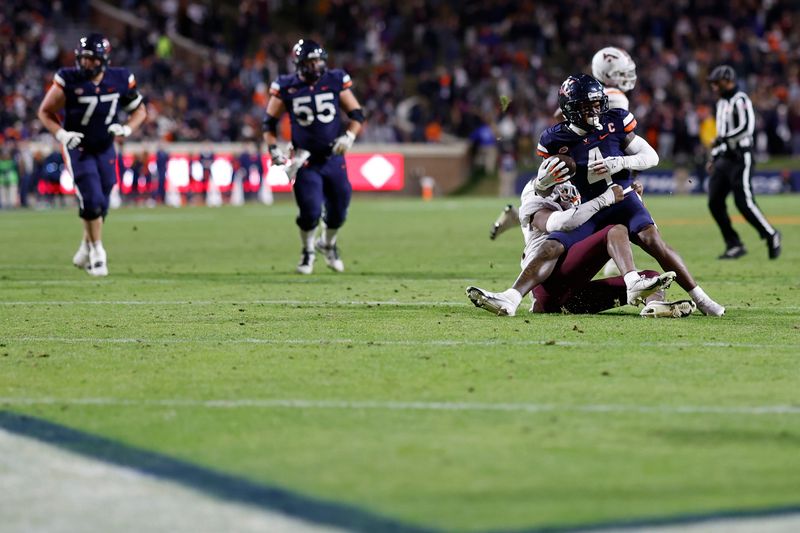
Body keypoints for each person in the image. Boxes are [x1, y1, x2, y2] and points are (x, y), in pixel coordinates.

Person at [537, 74, 724, 316]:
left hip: (625, 199)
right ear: (570, 108)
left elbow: (652, 157)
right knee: (554, 245)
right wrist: (544, 182)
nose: (594, 111)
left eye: (596, 104)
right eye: (586, 106)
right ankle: (518, 295)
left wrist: (619, 162)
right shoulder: (554, 138)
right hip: (590, 208)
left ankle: (701, 299)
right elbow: (542, 189)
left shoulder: (615, 121)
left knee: (654, 242)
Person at [468, 158, 691, 318]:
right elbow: (560, 224)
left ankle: (656, 307)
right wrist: (605, 200)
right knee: (611, 232)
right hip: (546, 281)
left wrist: (632, 201)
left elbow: (600, 227)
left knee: (651, 278)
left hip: (572, 295)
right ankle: (512, 296)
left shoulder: (586, 187)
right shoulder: (534, 192)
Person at [490, 46, 637, 241]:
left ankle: (517, 216)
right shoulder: (612, 96)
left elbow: (560, 119)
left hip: (568, 156)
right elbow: (613, 143)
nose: (627, 77)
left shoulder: (581, 89)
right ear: (606, 73)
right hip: (582, 162)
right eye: (621, 73)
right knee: (585, 216)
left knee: (560, 208)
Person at [37, 33, 146, 276]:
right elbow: (45, 111)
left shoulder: (119, 79)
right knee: (92, 199)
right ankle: (98, 251)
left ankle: (86, 246)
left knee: (103, 200)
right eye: (83, 58)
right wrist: (61, 134)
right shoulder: (68, 79)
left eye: (91, 59)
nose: (86, 63)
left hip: (106, 147)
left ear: (103, 59)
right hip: (79, 148)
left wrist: (127, 128)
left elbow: (140, 110)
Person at [263, 38, 365, 274]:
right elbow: (269, 123)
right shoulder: (286, 86)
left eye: (319, 60)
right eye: (312, 60)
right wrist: (273, 148)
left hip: (333, 158)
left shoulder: (334, 80)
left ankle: (327, 244)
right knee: (309, 211)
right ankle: (308, 251)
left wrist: (349, 136)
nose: (317, 65)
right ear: (300, 63)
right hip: (305, 160)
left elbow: (357, 115)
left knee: (339, 210)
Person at [706, 65, 781, 260]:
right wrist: (714, 155)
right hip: (725, 157)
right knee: (714, 201)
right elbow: (721, 134)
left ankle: (771, 234)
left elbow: (747, 128)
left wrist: (722, 141)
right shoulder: (721, 103)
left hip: (741, 156)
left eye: (717, 82)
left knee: (743, 202)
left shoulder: (741, 99)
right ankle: (734, 244)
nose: (714, 87)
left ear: (728, 80)